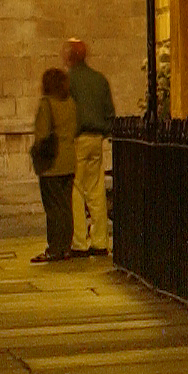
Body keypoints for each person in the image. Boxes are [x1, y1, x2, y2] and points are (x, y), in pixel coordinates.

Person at [65, 40, 114, 256]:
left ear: (70, 57)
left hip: (77, 139)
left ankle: (79, 241)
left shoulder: (69, 81)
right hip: (97, 139)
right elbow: (109, 112)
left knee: (76, 189)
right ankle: (100, 240)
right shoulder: (100, 80)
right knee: (96, 189)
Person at [30, 66, 79, 264]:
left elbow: (42, 133)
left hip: (52, 164)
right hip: (69, 161)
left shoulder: (46, 104)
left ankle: (54, 248)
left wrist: (35, 149)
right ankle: (65, 247)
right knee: (66, 207)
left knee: (53, 208)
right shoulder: (70, 103)